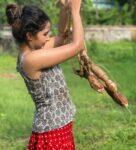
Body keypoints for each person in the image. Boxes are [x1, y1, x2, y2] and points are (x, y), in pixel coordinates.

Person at [6, 0, 84, 149]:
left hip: (58, 126)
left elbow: (62, 36)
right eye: (45, 34)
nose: (48, 38)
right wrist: (74, 11)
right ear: (30, 35)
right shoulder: (31, 59)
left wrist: (63, 9)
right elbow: (77, 45)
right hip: (51, 133)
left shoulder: (33, 51)